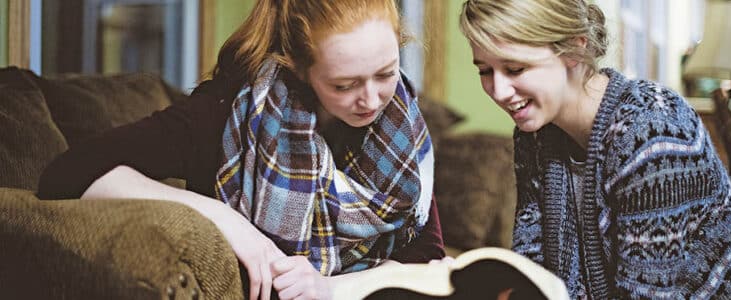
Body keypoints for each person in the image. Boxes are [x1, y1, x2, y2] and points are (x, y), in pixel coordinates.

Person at [37, 0, 445, 299]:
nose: (372, 100)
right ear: (299, 68)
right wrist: (227, 221)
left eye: (385, 74)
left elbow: (428, 256)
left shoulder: (401, 126)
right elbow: (69, 173)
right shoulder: (226, 111)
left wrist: (329, 288)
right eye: (344, 85)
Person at [458, 0, 731, 298]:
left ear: (574, 47)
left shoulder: (655, 135)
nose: (498, 91)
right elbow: (533, 271)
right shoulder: (535, 136)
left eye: (515, 69)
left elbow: (649, 293)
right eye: (484, 71)